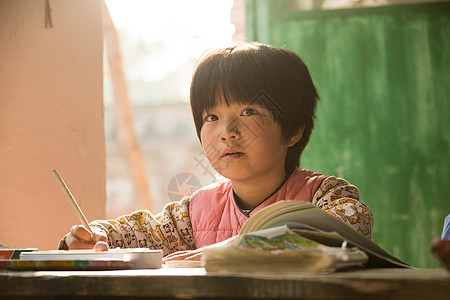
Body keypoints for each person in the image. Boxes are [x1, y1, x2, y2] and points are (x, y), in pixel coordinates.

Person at [58, 42, 374, 262]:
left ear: (293, 130)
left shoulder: (324, 195)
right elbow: (135, 233)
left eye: (249, 112)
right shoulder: (193, 213)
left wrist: (239, 245)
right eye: (212, 117)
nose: (226, 132)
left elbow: (351, 222)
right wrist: (94, 235)